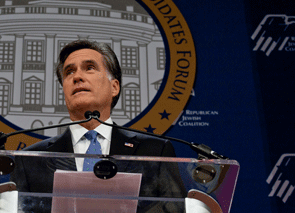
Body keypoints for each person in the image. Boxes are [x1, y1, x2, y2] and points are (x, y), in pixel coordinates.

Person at [10, 40, 192, 212]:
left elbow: (174, 210)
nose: (77, 77)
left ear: (114, 87)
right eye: (69, 72)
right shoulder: (30, 160)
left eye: (89, 68)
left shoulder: (154, 152)